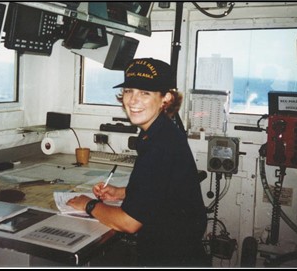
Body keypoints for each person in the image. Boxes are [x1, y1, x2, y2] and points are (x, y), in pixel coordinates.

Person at [67, 58, 208, 267]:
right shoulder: (161, 132)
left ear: (165, 98)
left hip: (171, 257)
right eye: (129, 91)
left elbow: (129, 223)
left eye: (145, 93)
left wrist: (88, 205)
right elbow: (162, 187)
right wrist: (122, 192)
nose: (133, 101)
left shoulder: (160, 144)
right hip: (179, 249)